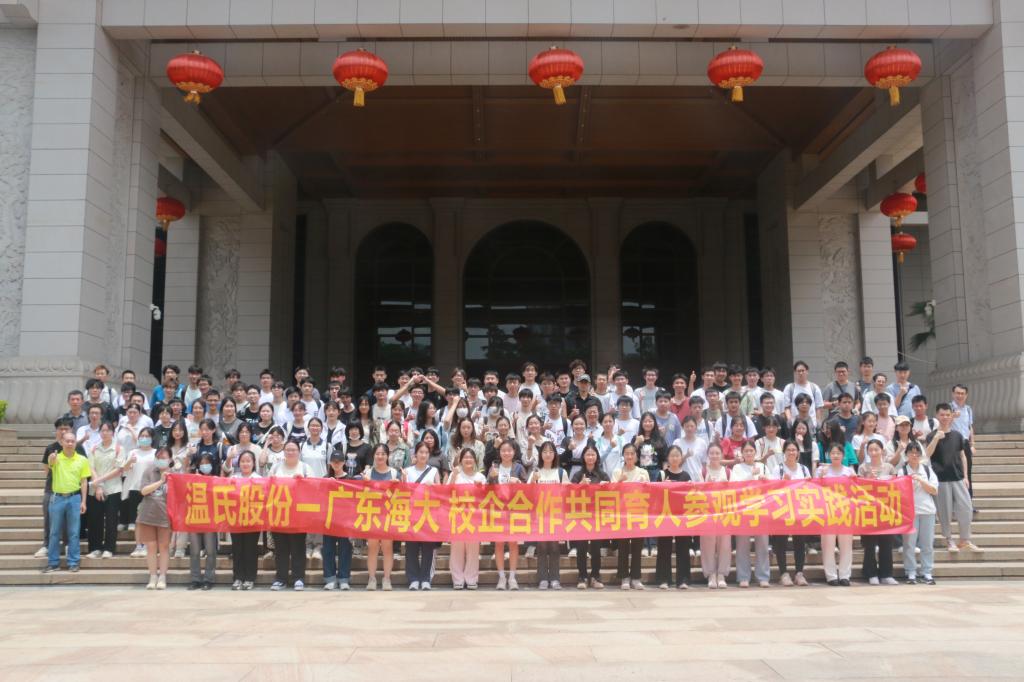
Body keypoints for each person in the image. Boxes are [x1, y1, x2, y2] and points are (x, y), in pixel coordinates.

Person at [925, 404, 980, 552]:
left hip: (958, 477)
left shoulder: (957, 435)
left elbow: (962, 456)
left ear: (951, 416)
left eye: (947, 415)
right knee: (944, 511)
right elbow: (927, 455)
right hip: (941, 479)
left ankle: (964, 540)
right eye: (942, 415)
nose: (945, 417)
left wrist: (966, 476)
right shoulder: (931, 435)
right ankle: (949, 540)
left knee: (966, 508)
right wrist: (936, 438)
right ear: (937, 416)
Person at [42, 431, 91, 574]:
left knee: (74, 532)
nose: (70, 443)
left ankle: (73, 562)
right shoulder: (56, 457)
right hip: (57, 498)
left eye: (72, 441)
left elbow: (84, 482)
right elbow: (50, 465)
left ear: (76, 443)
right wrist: (51, 459)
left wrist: (84, 501)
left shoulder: (82, 459)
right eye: (67, 441)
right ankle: (53, 563)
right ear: (62, 442)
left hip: (74, 498)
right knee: (54, 532)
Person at [269, 442, 313, 590]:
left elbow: (314, 488)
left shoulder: (305, 468)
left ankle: (298, 578)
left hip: (298, 515)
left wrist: (303, 481)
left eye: (293, 450)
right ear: (283, 451)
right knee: (280, 548)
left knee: (298, 547)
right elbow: (267, 487)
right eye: (287, 449)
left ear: (299, 452)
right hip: (279, 513)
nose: (290, 452)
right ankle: (280, 578)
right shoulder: (276, 468)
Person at [769, 440, 811, 587]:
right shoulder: (778, 469)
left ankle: (799, 573)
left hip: (800, 509)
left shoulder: (804, 469)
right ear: (784, 452)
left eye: (794, 450)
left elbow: (810, 489)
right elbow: (772, 490)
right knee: (781, 542)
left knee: (800, 542)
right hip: (783, 510)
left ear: (798, 452)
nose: (791, 452)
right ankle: (783, 573)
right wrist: (782, 482)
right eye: (789, 450)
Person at [858, 440, 899, 585]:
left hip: (886, 510)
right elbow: (857, 488)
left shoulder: (889, 467)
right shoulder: (863, 467)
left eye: (876, 449)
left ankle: (886, 574)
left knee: (886, 543)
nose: (874, 452)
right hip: (869, 510)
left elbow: (896, 486)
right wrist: (868, 479)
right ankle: (871, 573)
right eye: (871, 450)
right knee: (869, 544)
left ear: (882, 450)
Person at [488, 440, 527, 590]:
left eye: (509, 450)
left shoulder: (519, 467)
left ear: (514, 452)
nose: (506, 453)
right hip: (498, 510)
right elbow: (486, 490)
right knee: (498, 544)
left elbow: (528, 489)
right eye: (503, 450)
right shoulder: (494, 467)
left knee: (513, 543)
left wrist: (518, 482)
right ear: (499, 452)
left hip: (514, 511)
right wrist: (491, 478)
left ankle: (512, 577)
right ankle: (501, 578)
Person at [529, 442, 568, 590]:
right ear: (540, 455)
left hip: (556, 515)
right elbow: (527, 493)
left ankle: (555, 579)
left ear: (555, 454)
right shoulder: (536, 472)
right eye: (545, 451)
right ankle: (543, 579)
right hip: (540, 515)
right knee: (542, 547)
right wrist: (533, 480)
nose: (547, 454)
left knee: (554, 547)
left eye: (551, 451)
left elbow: (568, 492)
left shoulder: (561, 472)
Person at [815, 443, 855, 586]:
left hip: (845, 511)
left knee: (846, 544)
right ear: (828, 455)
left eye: (838, 453)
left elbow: (856, 490)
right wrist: (820, 477)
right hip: (827, 511)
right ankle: (831, 576)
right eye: (833, 453)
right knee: (828, 544)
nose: (836, 455)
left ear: (843, 455)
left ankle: (845, 575)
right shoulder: (822, 470)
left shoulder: (849, 471)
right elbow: (814, 489)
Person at [731, 442, 770, 588]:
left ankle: (763, 576)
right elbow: (734, 486)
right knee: (742, 545)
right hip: (743, 510)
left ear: (755, 452)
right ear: (742, 453)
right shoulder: (737, 468)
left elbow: (772, 486)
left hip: (761, 509)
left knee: (763, 544)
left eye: (751, 450)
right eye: (746, 451)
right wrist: (750, 475)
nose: (749, 453)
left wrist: (765, 480)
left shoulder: (763, 466)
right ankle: (743, 576)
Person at [654, 445, 693, 590]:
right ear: (668, 458)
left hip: (682, 516)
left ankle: (683, 579)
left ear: (681, 457)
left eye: (677, 455)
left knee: (683, 547)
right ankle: (664, 579)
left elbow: (690, 497)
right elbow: (655, 495)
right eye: (672, 455)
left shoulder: (686, 476)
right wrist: (663, 486)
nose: (675, 458)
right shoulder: (662, 475)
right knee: (664, 547)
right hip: (666, 515)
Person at [403, 441, 441, 590]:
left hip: (428, 513)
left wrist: (434, 487)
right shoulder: (407, 471)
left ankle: (425, 578)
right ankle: (413, 578)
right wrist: (403, 480)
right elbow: (403, 493)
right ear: (415, 454)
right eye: (421, 452)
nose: (423, 455)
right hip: (412, 513)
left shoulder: (434, 471)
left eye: (426, 452)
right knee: (411, 548)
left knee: (427, 547)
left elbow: (441, 492)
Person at [363, 444, 400, 591]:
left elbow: (400, 495)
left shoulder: (394, 473)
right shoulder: (368, 472)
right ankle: (371, 579)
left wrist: (398, 484)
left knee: (387, 548)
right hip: (372, 514)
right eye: (377, 454)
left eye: (383, 454)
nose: (380, 456)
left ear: (387, 456)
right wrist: (364, 483)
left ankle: (386, 579)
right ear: (373, 455)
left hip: (388, 515)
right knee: (372, 548)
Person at [85, 421, 124, 559]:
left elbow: (118, 470)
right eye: (103, 430)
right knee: (95, 520)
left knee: (111, 520)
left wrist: (98, 481)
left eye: (108, 430)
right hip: (95, 490)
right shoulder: (94, 448)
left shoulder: (119, 449)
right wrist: (98, 486)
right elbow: (91, 468)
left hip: (113, 489)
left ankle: (109, 548)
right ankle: (95, 548)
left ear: (113, 432)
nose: (105, 433)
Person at [901, 441, 939, 585]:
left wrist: (921, 481)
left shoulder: (927, 470)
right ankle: (910, 572)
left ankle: (927, 572)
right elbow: (900, 492)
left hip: (927, 510)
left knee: (927, 543)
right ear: (907, 454)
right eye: (911, 452)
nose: (914, 455)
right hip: (909, 512)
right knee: (909, 544)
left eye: (917, 453)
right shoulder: (903, 471)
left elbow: (934, 490)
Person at [571, 445, 609, 589]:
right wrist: (580, 485)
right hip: (581, 516)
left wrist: (607, 487)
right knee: (581, 548)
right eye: (588, 454)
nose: (590, 457)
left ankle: (595, 576)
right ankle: (582, 576)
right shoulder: (577, 475)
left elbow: (611, 495)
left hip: (597, 516)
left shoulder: (603, 475)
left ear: (597, 457)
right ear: (583, 457)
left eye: (593, 454)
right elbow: (569, 494)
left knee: (596, 548)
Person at [448, 448, 486, 590]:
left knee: (473, 550)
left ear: (475, 460)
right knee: (456, 549)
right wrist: (453, 475)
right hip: (457, 515)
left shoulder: (480, 477)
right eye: (465, 457)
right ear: (460, 460)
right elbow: (446, 492)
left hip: (474, 517)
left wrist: (480, 488)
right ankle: (457, 579)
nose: (468, 460)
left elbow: (486, 498)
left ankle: (471, 579)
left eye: (471, 457)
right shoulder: (455, 475)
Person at [136, 447, 173, 589]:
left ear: (170, 459)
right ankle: (152, 576)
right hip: (148, 514)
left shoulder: (174, 475)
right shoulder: (149, 471)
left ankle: (162, 576)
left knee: (164, 547)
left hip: (165, 516)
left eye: (163, 458)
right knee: (151, 547)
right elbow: (143, 491)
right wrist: (160, 481)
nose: (160, 460)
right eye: (158, 457)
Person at [613, 443, 649, 590]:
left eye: (632, 453)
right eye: (626, 453)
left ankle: (636, 577)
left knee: (637, 547)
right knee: (623, 547)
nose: (629, 456)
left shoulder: (643, 472)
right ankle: (624, 577)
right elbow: (610, 493)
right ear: (623, 455)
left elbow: (650, 492)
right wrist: (619, 482)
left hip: (638, 514)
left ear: (636, 456)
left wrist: (644, 485)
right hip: (622, 515)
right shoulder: (617, 472)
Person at [121, 426, 157, 557]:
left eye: (147, 436)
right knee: (137, 520)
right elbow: (124, 470)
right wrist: (130, 461)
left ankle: (148, 546)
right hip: (134, 489)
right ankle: (138, 546)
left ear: (152, 438)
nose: (144, 438)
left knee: (149, 520)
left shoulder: (156, 453)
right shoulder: (133, 452)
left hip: (150, 489)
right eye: (142, 436)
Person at [186, 451, 218, 590]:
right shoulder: (193, 478)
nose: (205, 465)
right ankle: (195, 579)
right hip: (195, 517)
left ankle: (209, 579)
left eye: (207, 463)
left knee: (210, 551)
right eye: (202, 463)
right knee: (194, 551)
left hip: (210, 519)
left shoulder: (216, 479)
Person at [700, 443, 731, 589]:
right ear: (708, 455)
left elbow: (737, 492)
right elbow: (696, 493)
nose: (714, 456)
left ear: (722, 455)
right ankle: (710, 573)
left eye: (717, 453)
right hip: (707, 513)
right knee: (708, 544)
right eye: (711, 453)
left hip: (724, 513)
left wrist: (727, 486)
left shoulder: (728, 472)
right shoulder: (703, 471)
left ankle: (722, 574)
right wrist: (706, 486)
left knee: (725, 544)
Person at [229, 450, 261, 590]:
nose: (245, 464)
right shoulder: (233, 478)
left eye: (248, 461)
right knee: (237, 549)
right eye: (242, 461)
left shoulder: (259, 479)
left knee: (250, 549)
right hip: (236, 518)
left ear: (253, 463)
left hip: (253, 518)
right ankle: (238, 577)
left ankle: (250, 578)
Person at [322, 451, 353, 590]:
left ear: (344, 463)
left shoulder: (350, 479)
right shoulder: (325, 478)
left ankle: (344, 578)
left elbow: (354, 499)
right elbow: (318, 496)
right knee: (328, 549)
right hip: (328, 519)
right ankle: (329, 578)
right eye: (334, 461)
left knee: (345, 549)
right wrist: (326, 484)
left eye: (339, 461)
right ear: (330, 462)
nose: (336, 463)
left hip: (345, 520)